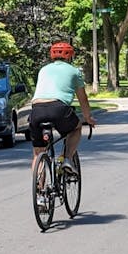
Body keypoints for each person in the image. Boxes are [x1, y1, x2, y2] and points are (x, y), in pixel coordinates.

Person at [29, 42, 96, 185]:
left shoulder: (43, 69)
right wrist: (88, 117)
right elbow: (82, 98)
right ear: (70, 56)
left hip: (36, 110)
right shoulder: (74, 71)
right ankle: (67, 159)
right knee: (76, 128)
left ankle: (40, 193)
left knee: (38, 152)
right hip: (58, 108)